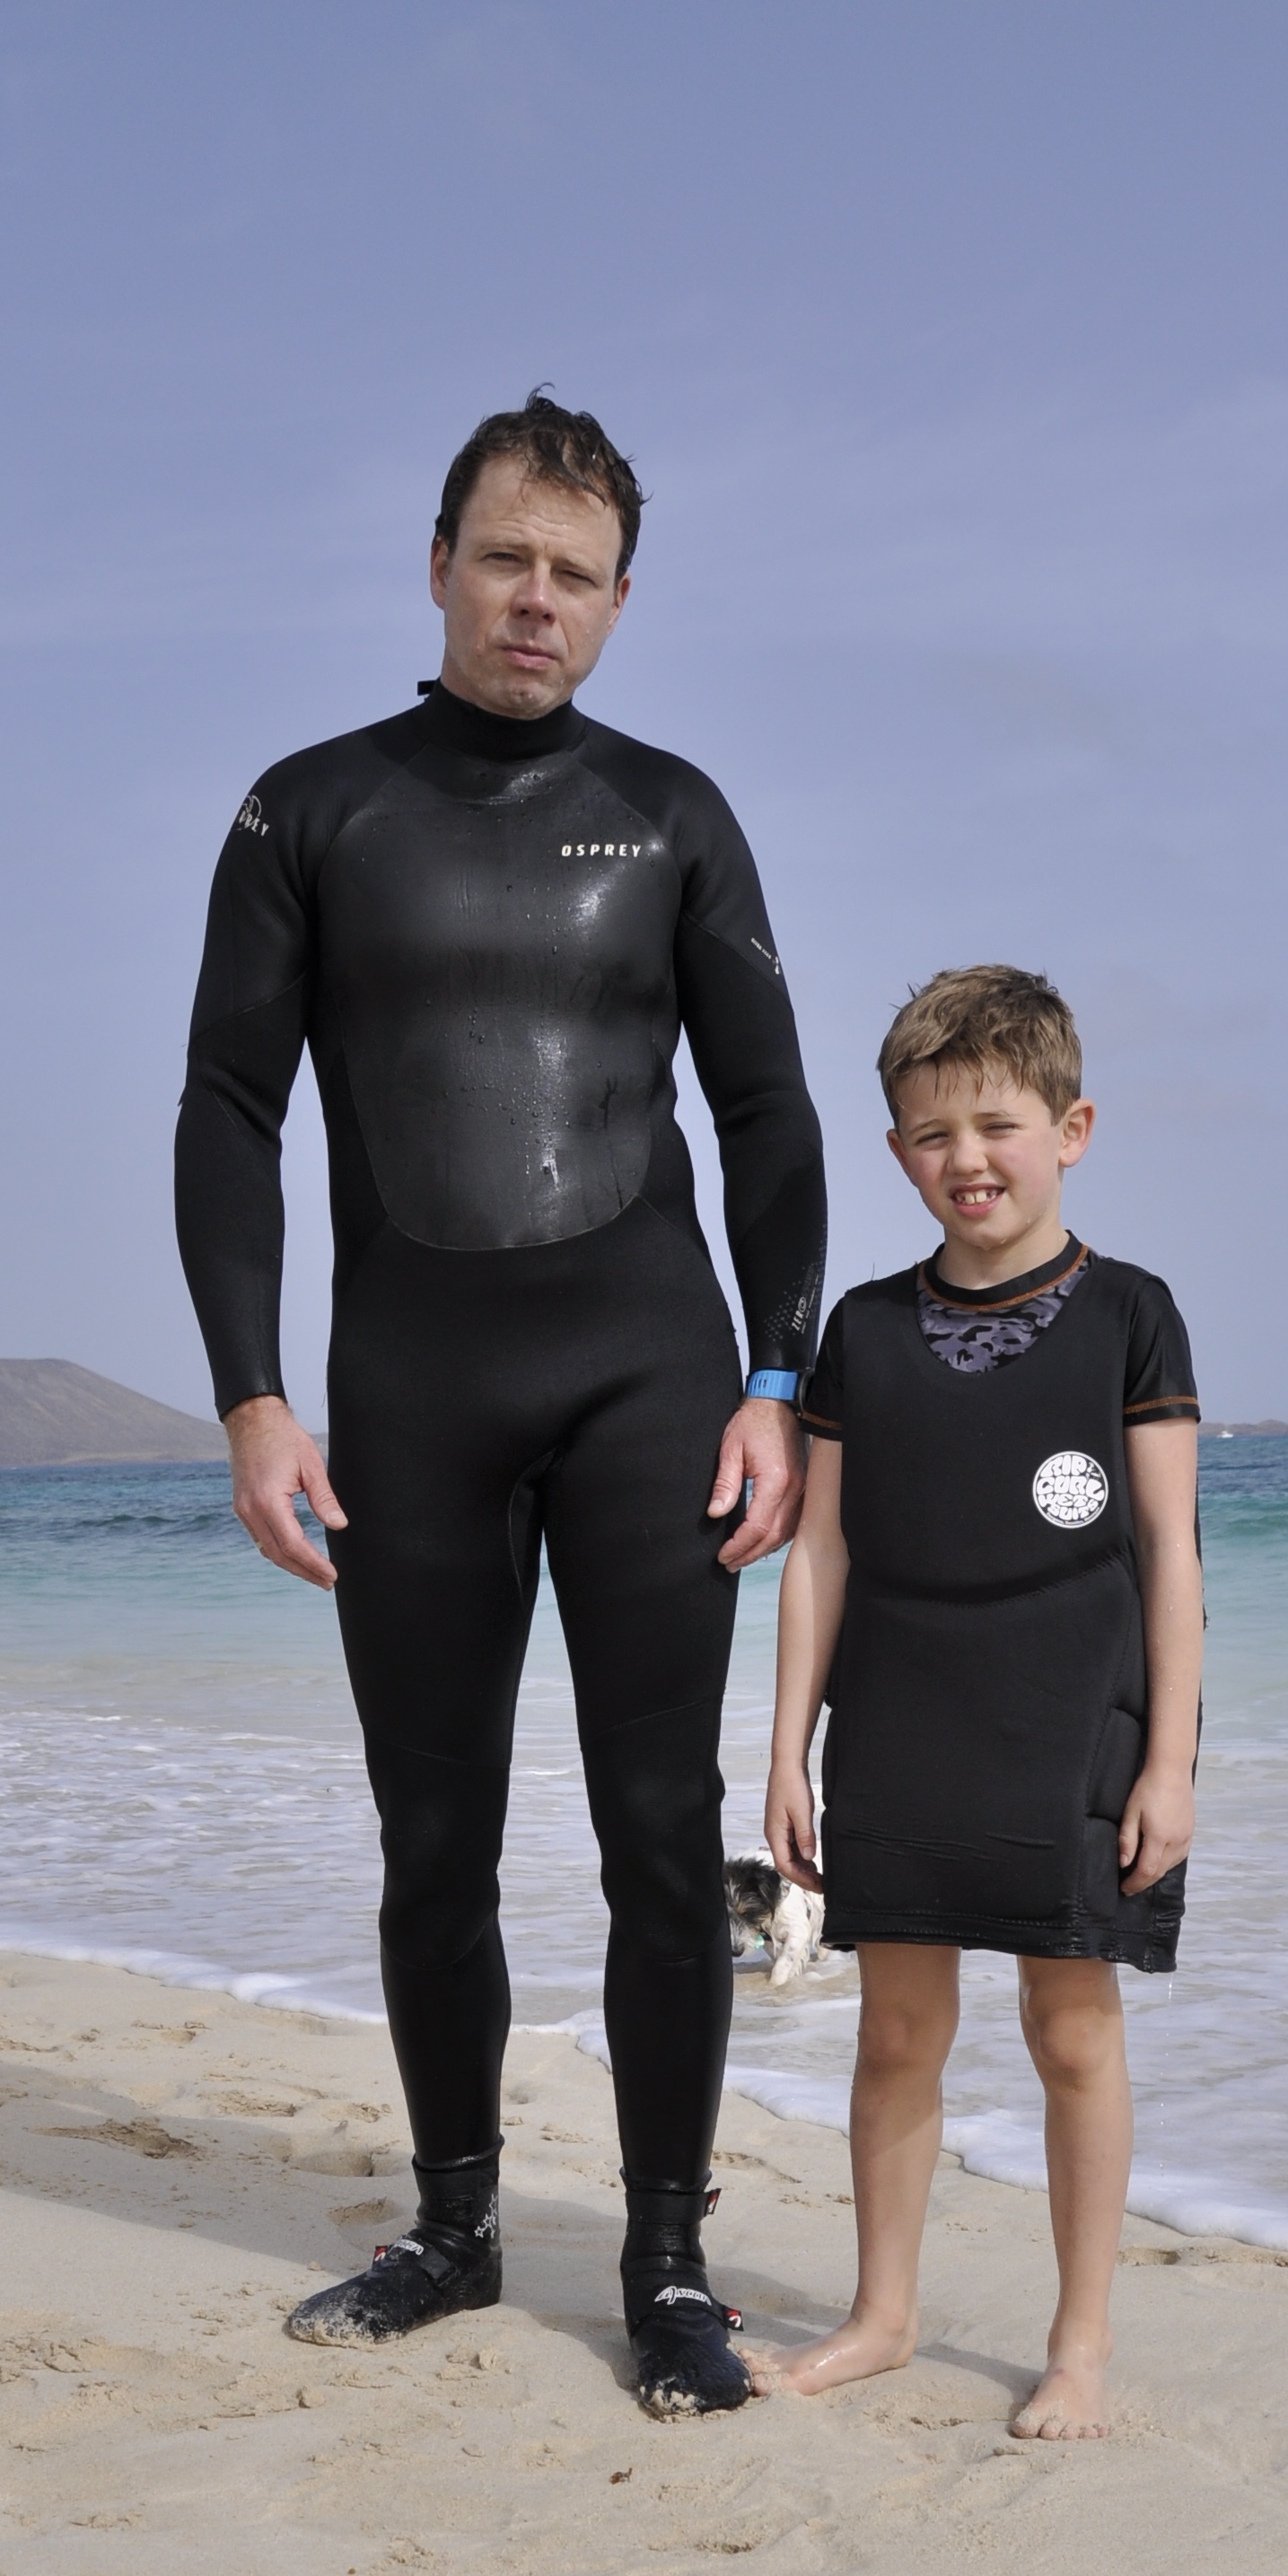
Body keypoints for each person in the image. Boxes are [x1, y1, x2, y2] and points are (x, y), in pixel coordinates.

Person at [174, 398, 826, 2416]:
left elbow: (767, 1110)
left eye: (576, 574)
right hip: (411, 1390)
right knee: (432, 1832)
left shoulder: (674, 813)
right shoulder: (310, 811)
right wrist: (253, 1398)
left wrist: (777, 1379)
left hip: (648, 1379)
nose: (536, 600)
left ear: (620, 602)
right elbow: (228, 1109)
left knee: (662, 1834)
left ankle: (666, 2265)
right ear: (440, 565)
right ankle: (453, 2230)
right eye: (504, 559)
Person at [758, 965, 1203, 2440]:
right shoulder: (865, 1331)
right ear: (898, 1151)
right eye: (934, 1134)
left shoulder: (1132, 1314)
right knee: (897, 2033)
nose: (969, 1159)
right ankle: (883, 2316)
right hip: (900, 1714)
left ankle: (1081, 2342)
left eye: (999, 1125)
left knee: (1070, 2027)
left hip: (1077, 1721)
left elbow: (1171, 1550)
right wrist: (787, 1751)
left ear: (1071, 1130)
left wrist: (1171, 1764)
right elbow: (820, 1551)